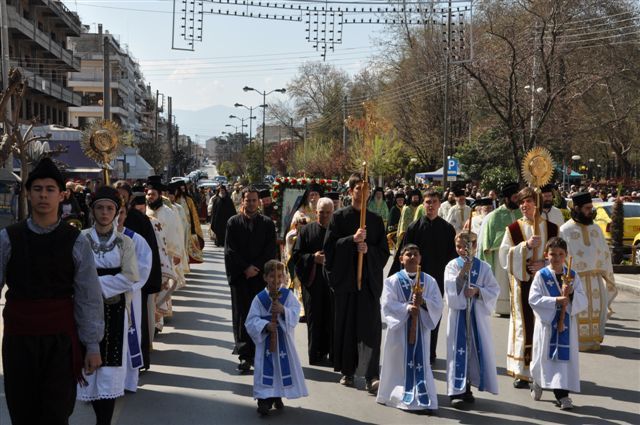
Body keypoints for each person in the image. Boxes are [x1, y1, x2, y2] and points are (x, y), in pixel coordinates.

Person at [0, 158, 104, 425]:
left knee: (56, 414)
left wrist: (92, 345)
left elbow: (88, 297)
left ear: (62, 195)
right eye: (37, 189)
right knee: (22, 412)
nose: (43, 195)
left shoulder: (76, 241)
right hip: (19, 340)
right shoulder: (8, 238)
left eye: (49, 189)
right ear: (28, 193)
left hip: (60, 342)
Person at [77, 186, 140, 425]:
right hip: (84, 311)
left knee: (110, 367)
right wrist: (89, 292)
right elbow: (73, 274)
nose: (105, 213)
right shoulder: (81, 239)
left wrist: (94, 287)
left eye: (110, 208)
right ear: (92, 210)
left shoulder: (125, 243)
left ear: (117, 212)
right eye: (100, 208)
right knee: (87, 364)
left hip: (114, 311)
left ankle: (103, 421)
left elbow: (130, 276)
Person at [323, 173, 390, 392]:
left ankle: (371, 375)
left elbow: (383, 252)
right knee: (347, 327)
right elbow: (330, 250)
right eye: (358, 188)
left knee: (370, 329)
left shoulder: (376, 220)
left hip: (368, 282)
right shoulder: (339, 218)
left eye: (366, 189)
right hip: (346, 283)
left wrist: (367, 250)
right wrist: (351, 240)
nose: (363, 193)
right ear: (351, 191)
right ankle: (348, 371)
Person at [499, 187, 558, 389]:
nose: (524, 205)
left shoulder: (551, 228)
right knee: (523, 325)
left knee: (544, 324)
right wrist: (526, 247)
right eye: (522, 202)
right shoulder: (513, 229)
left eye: (529, 202)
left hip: (545, 285)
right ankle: (522, 371)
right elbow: (505, 257)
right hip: (522, 284)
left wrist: (545, 264)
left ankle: (544, 369)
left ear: (537, 204)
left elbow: (560, 255)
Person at [392, 190, 457, 365]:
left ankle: (430, 352)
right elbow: (404, 254)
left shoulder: (447, 229)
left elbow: (452, 258)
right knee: (413, 313)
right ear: (423, 204)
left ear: (439, 204)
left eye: (434, 202)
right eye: (427, 202)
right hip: (415, 279)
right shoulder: (414, 228)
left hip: (437, 280)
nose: (430, 205)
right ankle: (412, 347)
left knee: (433, 314)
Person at [377, 244, 442, 413]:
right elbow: (387, 304)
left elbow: (438, 303)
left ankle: (424, 397)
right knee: (399, 362)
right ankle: (396, 394)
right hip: (399, 331)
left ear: (420, 258)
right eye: (408, 254)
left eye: (416, 254)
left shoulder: (429, 280)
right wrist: (407, 308)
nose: (412, 257)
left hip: (421, 329)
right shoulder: (392, 281)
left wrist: (424, 303)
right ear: (401, 259)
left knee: (421, 363)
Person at [529, 237, 588, 410]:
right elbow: (533, 299)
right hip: (547, 325)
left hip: (566, 326)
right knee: (544, 357)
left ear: (566, 256)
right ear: (546, 255)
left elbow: (583, 299)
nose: (556, 258)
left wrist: (570, 295)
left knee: (562, 361)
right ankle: (538, 382)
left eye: (560, 254)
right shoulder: (542, 275)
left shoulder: (572, 275)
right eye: (552, 254)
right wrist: (556, 300)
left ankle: (562, 395)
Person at [245, 260, 308, 416]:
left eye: (280, 276)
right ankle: (263, 400)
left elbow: (295, 312)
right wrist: (265, 325)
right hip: (266, 342)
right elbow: (251, 321)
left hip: (283, 343)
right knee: (265, 369)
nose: (276, 280)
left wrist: (283, 310)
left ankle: (277, 395)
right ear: (265, 277)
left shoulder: (287, 296)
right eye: (272, 276)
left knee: (279, 369)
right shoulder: (259, 299)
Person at [225, 186, 277, 372]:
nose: (252, 203)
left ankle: (259, 353)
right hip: (241, 277)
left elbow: (271, 249)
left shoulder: (267, 224)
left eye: (255, 200)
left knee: (261, 315)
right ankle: (244, 355)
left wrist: (257, 268)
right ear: (242, 201)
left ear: (259, 202)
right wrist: (245, 268)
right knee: (242, 315)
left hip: (260, 278)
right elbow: (230, 251)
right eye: (248, 200)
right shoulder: (233, 223)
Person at [444, 232, 500, 408]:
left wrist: (477, 291)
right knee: (457, 351)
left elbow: (494, 289)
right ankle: (455, 390)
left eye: (466, 247)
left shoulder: (484, 267)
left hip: (476, 316)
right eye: (459, 247)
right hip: (459, 315)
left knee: (473, 351)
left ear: (475, 247)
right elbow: (450, 289)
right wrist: (462, 274)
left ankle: (467, 387)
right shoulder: (452, 265)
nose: (462, 250)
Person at [559, 192, 617, 351]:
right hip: (576, 280)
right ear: (576, 208)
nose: (591, 211)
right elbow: (561, 257)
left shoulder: (596, 229)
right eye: (587, 208)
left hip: (595, 279)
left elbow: (605, 254)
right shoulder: (565, 230)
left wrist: (608, 276)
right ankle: (576, 341)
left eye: (591, 208)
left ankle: (594, 340)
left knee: (596, 310)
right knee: (579, 310)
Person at [291, 197, 335, 365]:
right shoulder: (306, 231)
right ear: (316, 212)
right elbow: (296, 255)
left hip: (332, 283)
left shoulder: (337, 231)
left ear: (332, 213)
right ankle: (315, 354)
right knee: (314, 318)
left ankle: (332, 353)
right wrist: (312, 258)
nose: (324, 216)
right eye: (321, 212)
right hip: (313, 282)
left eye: (328, 213)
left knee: (332, 318)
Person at [145, 176, 185, 330]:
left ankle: (158, 321)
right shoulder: (145, 211)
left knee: (161, 285)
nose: (150, 197)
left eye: (153, 194)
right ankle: (151, 319)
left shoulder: (168, 212)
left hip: (164, 255)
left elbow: (175, 233)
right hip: (148, 255)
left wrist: (175, 254)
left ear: (159, 195)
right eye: (148, 194)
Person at [477, 182, 522, 315]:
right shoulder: (495, 216)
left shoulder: (522, 212)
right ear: (506, 199)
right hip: (500, 256)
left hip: (519, 254)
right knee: (502, 282)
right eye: (515, 198)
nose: (517, 201)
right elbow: (486, 240)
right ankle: (503, 308)